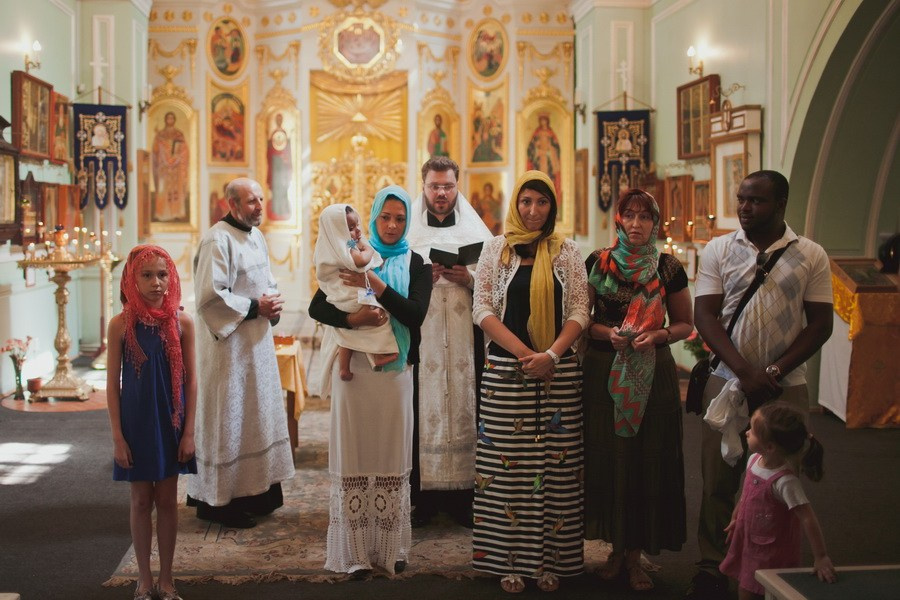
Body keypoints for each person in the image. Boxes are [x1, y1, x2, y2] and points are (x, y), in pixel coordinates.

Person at [687, 170, 833, 600]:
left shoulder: (810, 254)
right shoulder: (719, 248)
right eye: (741, 199)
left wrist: (773, 372)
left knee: (780, 477)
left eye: (756, 201)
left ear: (781, 204)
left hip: (784, 386)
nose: (745, 208)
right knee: (717, 479)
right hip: (727, 381)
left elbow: (821, 323)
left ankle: (774, 568)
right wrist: (746, 373)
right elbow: (705, 316)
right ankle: (712, 565)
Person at [471, 170, 591, 593]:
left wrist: (552, 355)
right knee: (507, 472)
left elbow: (580, 309)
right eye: (526, 202)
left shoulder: (568, 251)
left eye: (542, 202)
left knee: (555, 471)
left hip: (558, 374)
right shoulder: (494, 250)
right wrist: (527, 356)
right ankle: (509, 560)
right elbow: (482, 308)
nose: (534, 210)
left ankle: (550, 560)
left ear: (552, 206)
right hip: (507, 373)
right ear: (515, 205)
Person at [309, 185, 432, 578]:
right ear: (374, 217)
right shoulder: (350, 256)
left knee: (391, 454)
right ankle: (356, 553)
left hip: (396, 372)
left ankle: (392, 548)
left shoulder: (418, 263)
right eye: (385, 217)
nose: (392, 225)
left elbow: (414, 314)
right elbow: (318, 306)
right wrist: (354, 320)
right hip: (355, 373)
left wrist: (376, 284)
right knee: (356, 454)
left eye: (399, 218)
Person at [583, 189, 694, 592]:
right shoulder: (598, 262)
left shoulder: (667, 268)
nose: (635, 223)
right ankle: (614, 550)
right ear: (618, 219)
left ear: (655, 223)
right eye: (628, 215)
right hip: (603, 370)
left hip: (653, 373)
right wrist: (605, 332)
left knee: (648, 458)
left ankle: (635, 557)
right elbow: (583, 319)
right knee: (613, 459)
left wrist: (660, 335)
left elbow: (686, 324)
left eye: (644, 217)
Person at [187, 177, 295, 529]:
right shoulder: (217, 239)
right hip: (229, 351)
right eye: (251, 201)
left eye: (261, 199)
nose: (259, 207)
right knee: (229, 420)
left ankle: (257, 494)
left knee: (255, 418)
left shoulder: (256, 236)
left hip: (256, 345)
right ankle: (222, 503)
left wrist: (273, 304)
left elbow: (266, 282)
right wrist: (255, 307)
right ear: (231, 204)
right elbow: (209, 297)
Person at [106, 245, 197, 600]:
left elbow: (191, 380)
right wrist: (117, 437)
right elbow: (113, 384)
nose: (157, 283)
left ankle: (167, 578)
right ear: (132, 278)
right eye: (147, 275)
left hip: (170, 420)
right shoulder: (121, 325)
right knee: (141, 501)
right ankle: (143, 579)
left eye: (162, 274)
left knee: (167, 500)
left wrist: (188, 431)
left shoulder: (182, 321)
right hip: (137, 421)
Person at [407, 156, 493, 527]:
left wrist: (469, 278)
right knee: (420, 410)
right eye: (434, 186)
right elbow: (394, 285)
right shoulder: (408, 232)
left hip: (464, 341)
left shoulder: (479, 235)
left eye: (448, 186)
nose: (441, 193)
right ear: (423, 187)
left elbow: (496, 287)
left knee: (465, 405)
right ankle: (422, 498)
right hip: (423, 339)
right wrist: (427, 276)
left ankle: (463, 498)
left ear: (458, 187)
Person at [720, 402, 836, 599]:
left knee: (763, 590)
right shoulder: (754, 460)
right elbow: (747, 495)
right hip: (750, 539)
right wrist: (736, 517)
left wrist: (821, 556)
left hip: (772, 550)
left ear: (770, 446)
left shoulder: (785, 482)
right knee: (745, 584)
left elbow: (807, 518)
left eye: (753, 431)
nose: (747, 432)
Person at [314, 203, 398, 382]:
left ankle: (346, 367)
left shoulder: (336, 248)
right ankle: (379, 354)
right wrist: (367, 250)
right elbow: (360, 261)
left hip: (345, 297)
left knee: (349, 334)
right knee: (379, 318)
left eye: (358, 225)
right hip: (350, 297)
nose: (358, 231)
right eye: (351, 228)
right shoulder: (347, 247)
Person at [152, 112, 189, 222]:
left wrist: (175, 158)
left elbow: (184, 151)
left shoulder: (179, 134)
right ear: (165, 119)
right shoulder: (160, 135)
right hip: (164, 170)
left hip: (176, 170)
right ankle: (162, 214)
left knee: (176, 191)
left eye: (172, 118)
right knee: (163, 190)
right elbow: (155, 151)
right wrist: (162, 148)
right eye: (168, 118)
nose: (170, 120)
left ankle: (176, 213)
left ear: (174, 120)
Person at [526, 114, 562, 196]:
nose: (543, 123)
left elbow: (556, 149)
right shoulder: (536, 134)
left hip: (549, 161)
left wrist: (550, 152)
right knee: (538, 180)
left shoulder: (551, 134)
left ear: (547, 121)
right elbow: (531, 149)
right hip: (539, 160)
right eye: (541, 121)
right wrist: (537, 151)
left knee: (549, 180)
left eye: (544, 121)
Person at [266, 112, 292, 221]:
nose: (279, 121)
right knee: (276, 189)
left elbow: (288, 151)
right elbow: (270, 151)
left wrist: (284, 157)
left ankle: (283, 210)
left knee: (283, 188)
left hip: (283, 167)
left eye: (281, 119)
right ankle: (276, 210)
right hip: (275, 166)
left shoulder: (284, 133)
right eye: (278, 119)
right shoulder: (274, 134)